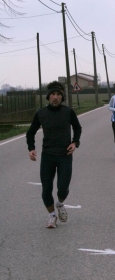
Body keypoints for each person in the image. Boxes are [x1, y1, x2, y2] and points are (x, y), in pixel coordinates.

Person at [26, 81, 82, 228]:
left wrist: (75, 142)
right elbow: (30, 132)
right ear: (48, 97)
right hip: (48, 155)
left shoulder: (68, 112)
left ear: (62, 97)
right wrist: (31, 148)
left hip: (65, 154)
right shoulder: (41, 113)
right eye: (52, 94)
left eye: (58, 94)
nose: (55, 97)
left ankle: (60, 203)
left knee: (63, 188)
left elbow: (77, 128)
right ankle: (51, 216)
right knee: (46, 189)